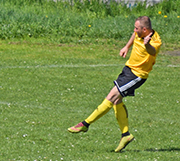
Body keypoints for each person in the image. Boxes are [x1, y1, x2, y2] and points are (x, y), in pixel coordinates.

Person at [68, 16, 162, 152]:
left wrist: (147, 44)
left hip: (137, 75)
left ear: (145, 30)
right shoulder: (138, 33)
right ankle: (126, 135)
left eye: (136, 28)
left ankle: (85, 124)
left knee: (111, 97)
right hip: (128, 69)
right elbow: (134, 35)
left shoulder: (155, 40)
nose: (134, 30)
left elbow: (152, 51)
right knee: (117, 101)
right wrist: (127, 46)